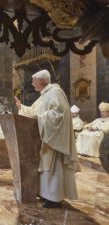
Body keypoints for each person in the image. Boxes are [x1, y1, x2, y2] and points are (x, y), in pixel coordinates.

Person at [14, 69, 80, 208]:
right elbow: (34, 111)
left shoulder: (55, 92)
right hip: (46, 137)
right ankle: (46, 194)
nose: (32, 84)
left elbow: (58, 115)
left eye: (34, 81)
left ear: (42, 81)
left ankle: (54, 198)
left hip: (54, 139)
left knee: (53, 168)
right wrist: (21, 107)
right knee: (46, 168)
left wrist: (40, 119)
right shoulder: (44, 95)